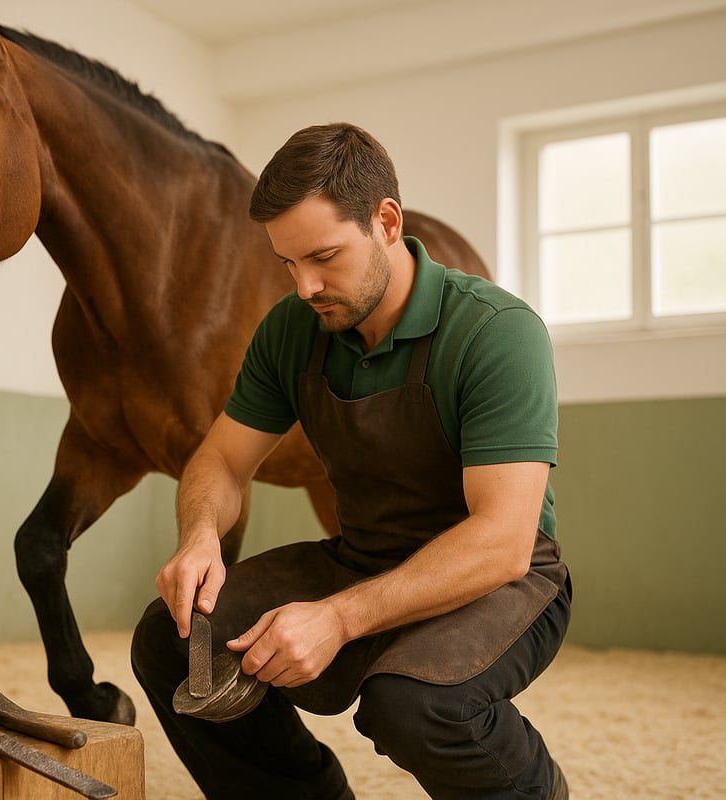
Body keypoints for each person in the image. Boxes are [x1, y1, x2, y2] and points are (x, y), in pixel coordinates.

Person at [130, 122, 571, 799]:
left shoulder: (497, 332)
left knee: (412, 706)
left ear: (386, 222)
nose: (305, 286)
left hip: (503, 581)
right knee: (172, 638)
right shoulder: (292, 329)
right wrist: (200, 536)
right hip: (364, 557)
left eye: (324, 256)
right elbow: (219, 460)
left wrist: (336, 618)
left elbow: (503, 543)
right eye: (287, 263)